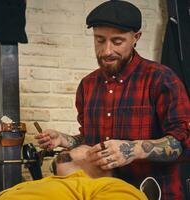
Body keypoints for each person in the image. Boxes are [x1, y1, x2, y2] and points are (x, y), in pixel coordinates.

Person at [34, 1, 190, 199]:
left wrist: (134, 149)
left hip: (156, 193)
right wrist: (66, 139)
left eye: (117, 42)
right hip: (101, 193)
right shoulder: (87, 85)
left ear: (136, 38)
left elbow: (183, 143)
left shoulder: (161, 78)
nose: (107, 51)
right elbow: (90, 140)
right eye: (100, 40)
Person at [0, 117, 147, 200]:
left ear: (103, 158)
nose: (67, 146)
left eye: (82, 143)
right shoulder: (45, 185)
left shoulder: (108, 188)